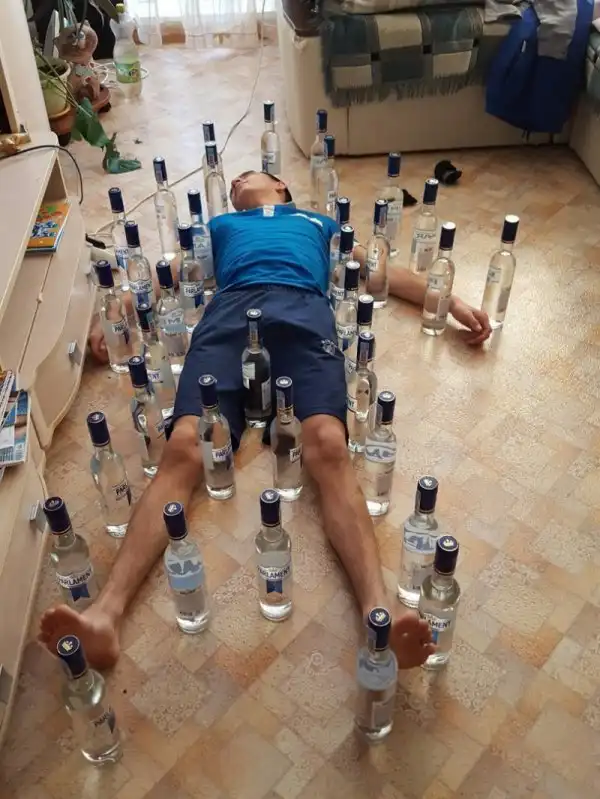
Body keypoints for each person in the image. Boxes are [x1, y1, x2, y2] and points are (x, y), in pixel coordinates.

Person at [40, 171, 491, 671]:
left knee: (328, 444)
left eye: (246, 176)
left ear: (279, 183)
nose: (235, 180)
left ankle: (377, 613)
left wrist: (449, 302)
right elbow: (171, 269)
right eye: (233, 180)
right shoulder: (223, 225)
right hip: (229, 314)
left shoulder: (317, 223)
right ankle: (104, 615)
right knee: (185, 445)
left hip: (304, 312)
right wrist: (115, 313)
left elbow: (379, 271)